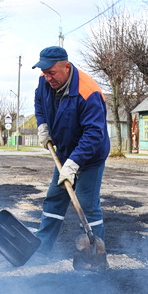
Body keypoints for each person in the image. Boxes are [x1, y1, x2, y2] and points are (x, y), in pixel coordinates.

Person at [32, 46, 110, 255]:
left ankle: (95, 254)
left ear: (66, 67)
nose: (48, 78)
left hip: (90, 156)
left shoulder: (88, 92)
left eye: (52, 73)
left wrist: (74, 163)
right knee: (54, 198)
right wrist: (43, 125)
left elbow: (94, 133)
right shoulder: (45, 80)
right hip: (64, 153)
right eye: (45, 73)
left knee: (87, 205)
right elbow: (39, 101)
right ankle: (41, 248)